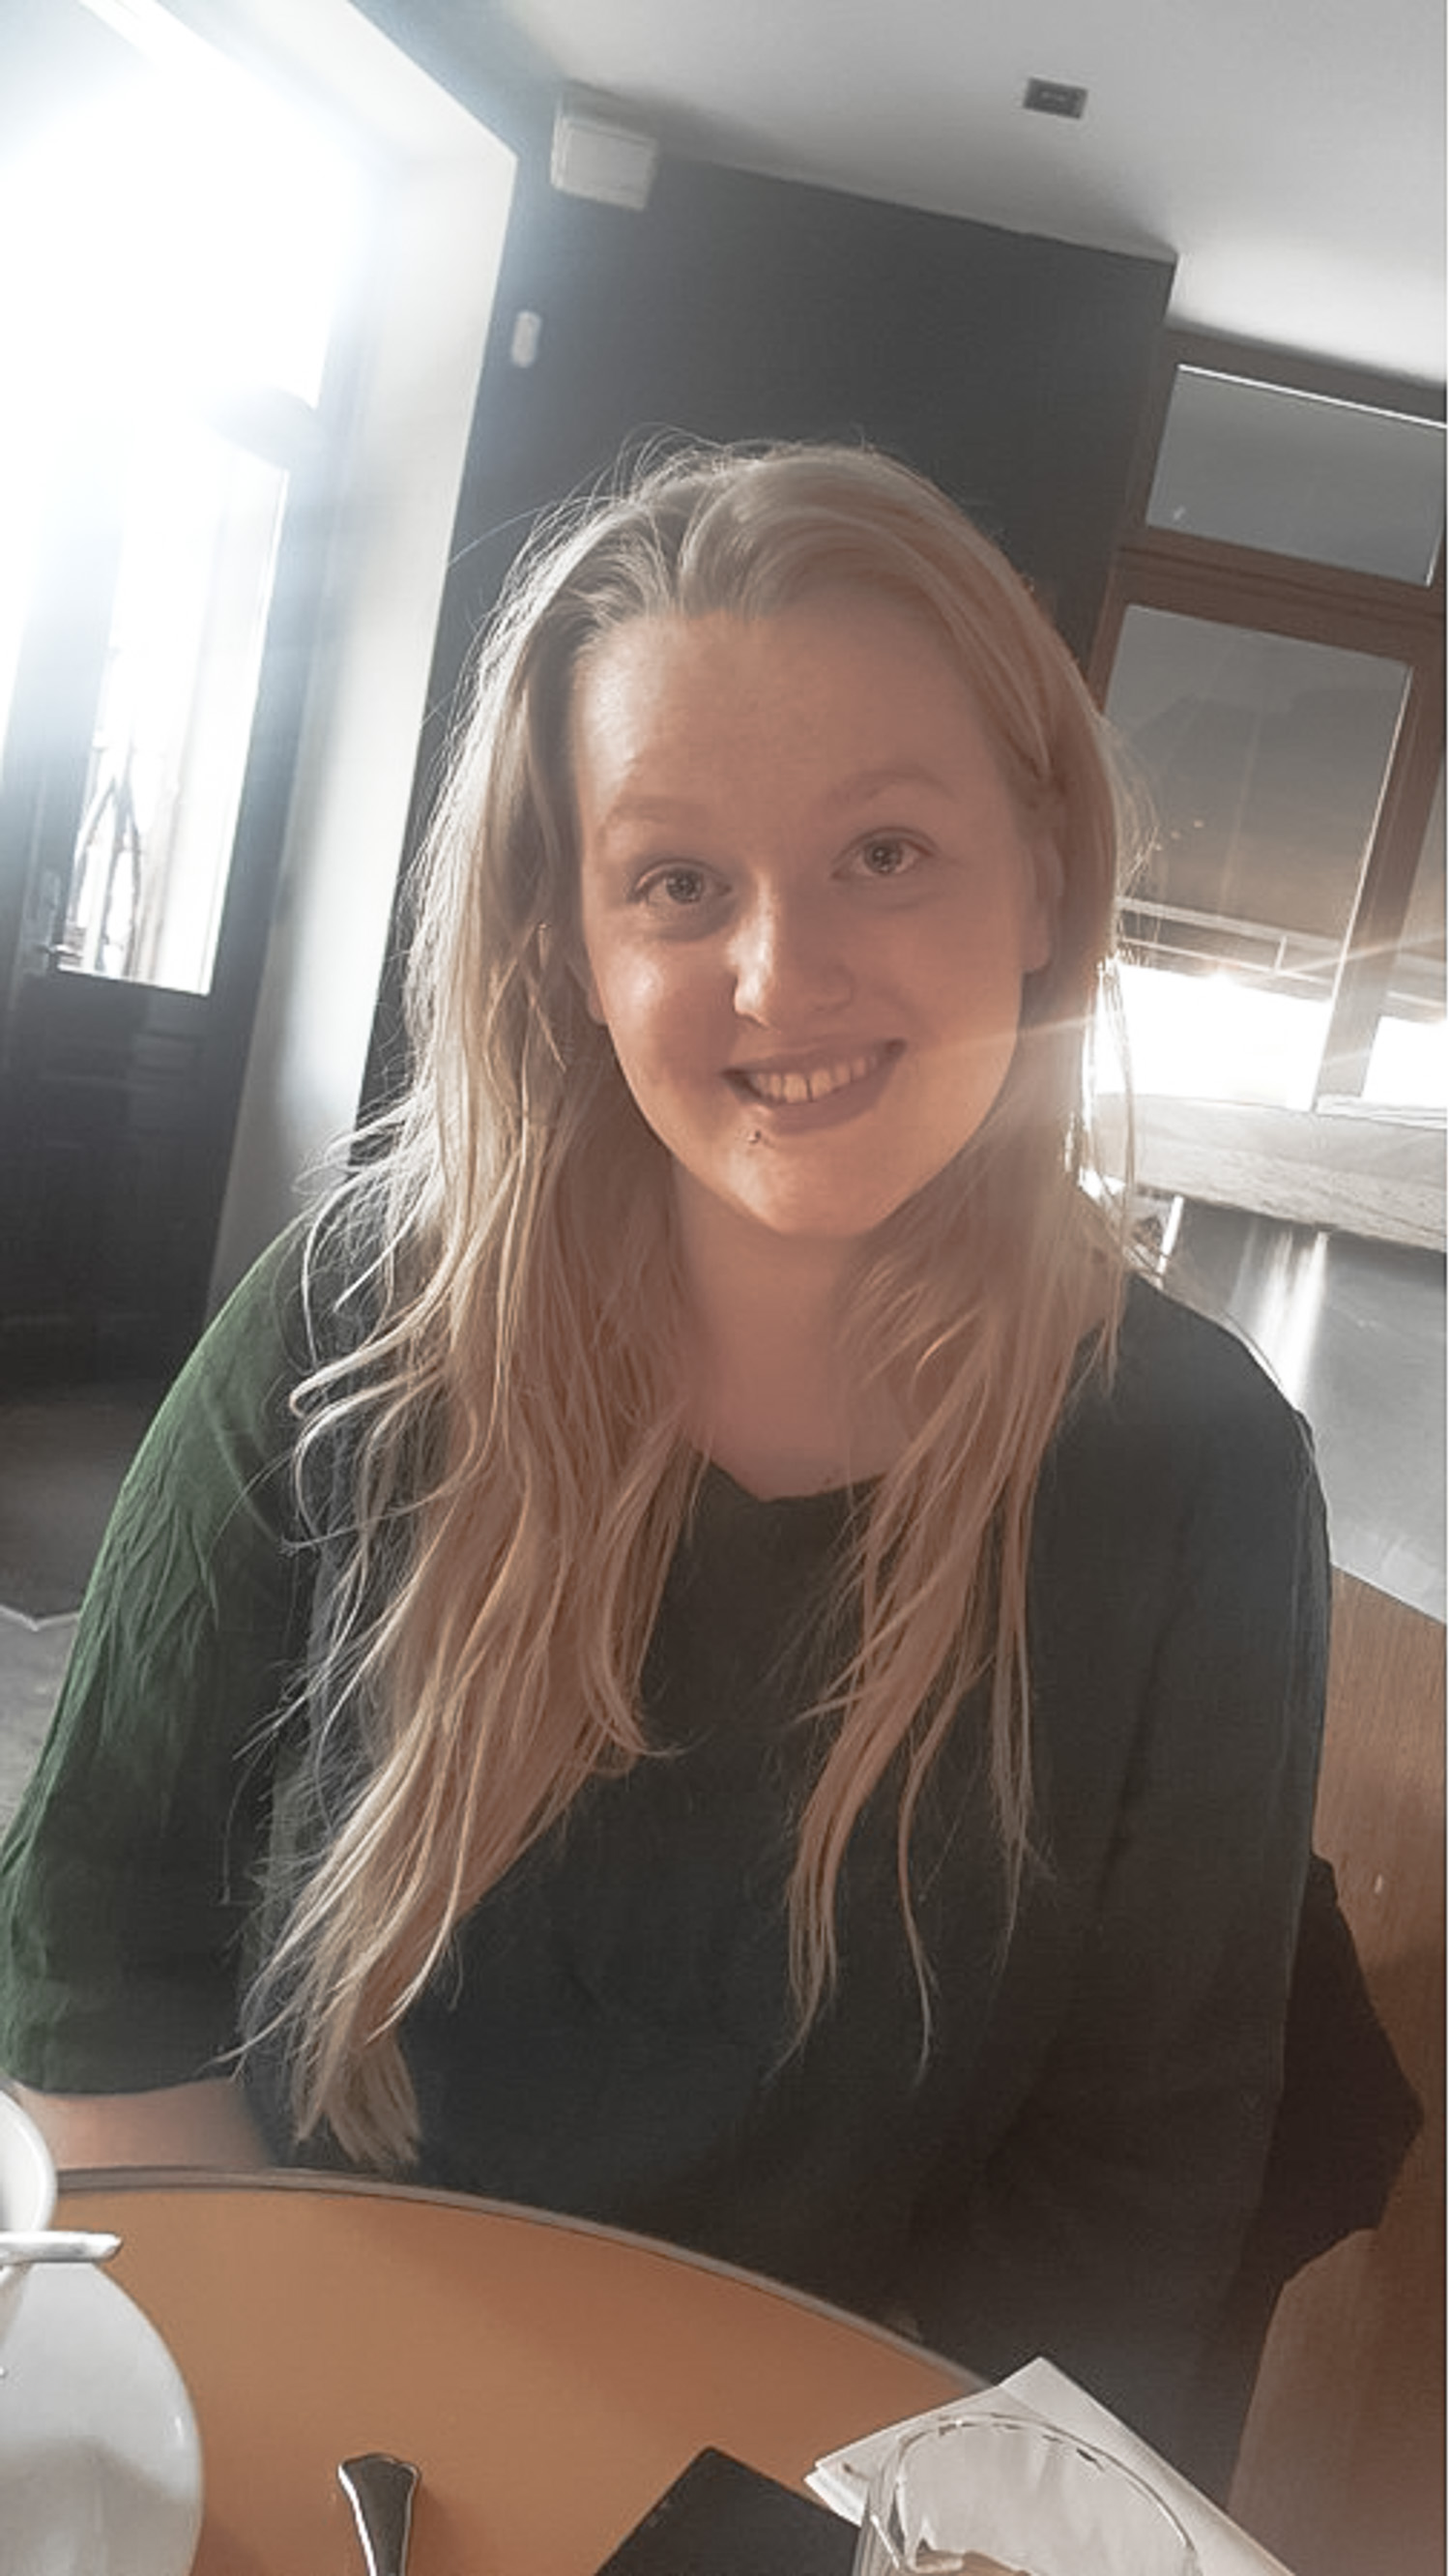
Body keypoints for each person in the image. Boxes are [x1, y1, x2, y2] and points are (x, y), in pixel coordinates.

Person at [0, 443, 1328, 2466]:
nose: (782, 978)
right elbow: (91, 1945)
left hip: (809, 2474)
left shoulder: (1201, 1475)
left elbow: (1126, 2202)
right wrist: (301, 2423)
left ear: (1045, 865)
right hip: (270, 2397)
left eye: (886, 850)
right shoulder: (354, 1315)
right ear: (567, 939)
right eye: (677, 882)